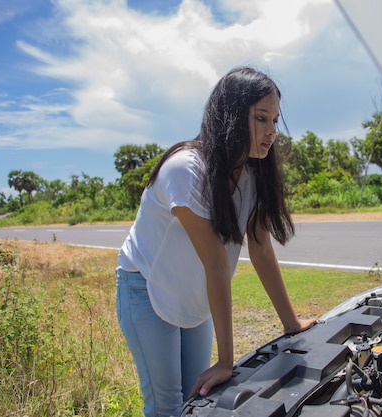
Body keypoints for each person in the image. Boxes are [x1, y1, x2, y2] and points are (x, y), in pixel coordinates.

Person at [115, 66, 316, 417]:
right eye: (261, 118)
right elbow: (217, 263)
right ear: (233, 116)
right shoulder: (184, 169)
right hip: (145, 289)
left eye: (275, 120)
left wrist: (291, 324)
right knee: (166, 406)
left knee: (197, 400)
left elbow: (261, 250)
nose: (271, 131)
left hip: (192, 294)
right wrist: (227, 361)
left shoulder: (252, 174)